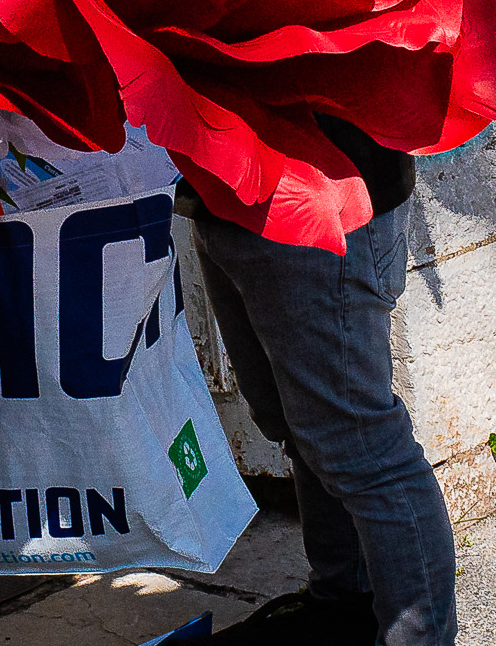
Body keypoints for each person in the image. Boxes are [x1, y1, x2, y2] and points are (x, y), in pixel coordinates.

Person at [188, 116, 458, 646]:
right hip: (226, 195)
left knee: (364, 451)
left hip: (320, 194)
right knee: (296, 426)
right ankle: (342, 612)